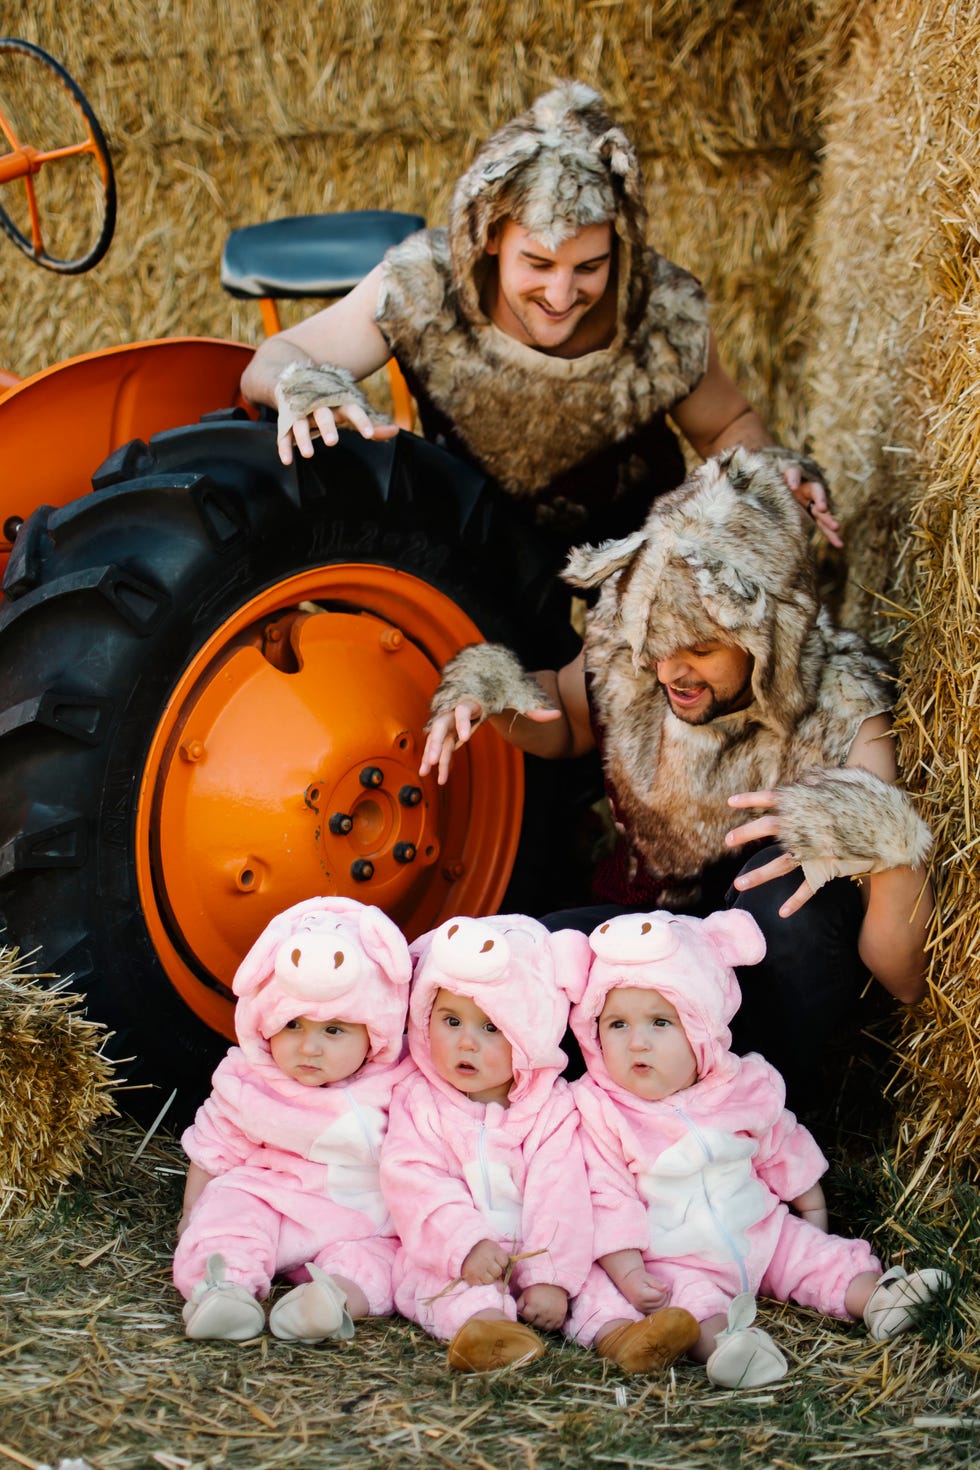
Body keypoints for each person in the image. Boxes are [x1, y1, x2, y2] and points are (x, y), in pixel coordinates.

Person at [419, 447, 934, 1115]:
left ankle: (754, 1126)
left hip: (758, 962)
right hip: (648, 918)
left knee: (785, 897)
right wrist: (495, 692)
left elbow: (907, 981)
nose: (671, 673)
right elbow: (567, 721)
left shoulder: (842, 708)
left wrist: (892, 851)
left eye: (701, 650)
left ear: (769, 631)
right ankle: (559, 1132)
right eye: (662, 646)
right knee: (517, 959)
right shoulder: (637, 647)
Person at [240, 82, 841, 558]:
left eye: (590, 266)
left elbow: (726, 424)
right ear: (492, 235)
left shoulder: (658, 308)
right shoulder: (426, 285)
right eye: (538, 262)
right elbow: (278, 354)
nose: (561, 293)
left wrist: (771, 473)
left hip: (629, 551)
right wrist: (304, 386)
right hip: (477, 547)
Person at [566, 908, 951, 1389]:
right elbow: (606, 1195)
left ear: (703, 1027)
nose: (637, 1043)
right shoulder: (599, 1110)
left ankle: (878, 1297)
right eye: (617, 1024)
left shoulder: (741, 1085)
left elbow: (779, 1142)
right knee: (689, 1305)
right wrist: (629, 1273)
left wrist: (811, 1208)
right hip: (677, 1258)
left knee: (817, 1256)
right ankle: (728, 1348)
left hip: (761, 1231)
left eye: (660, 1023)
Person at [379, 913, 620, 1373]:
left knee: (592, 1283)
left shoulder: (550, 1108)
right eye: (451, 1021)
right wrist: (465, 1243)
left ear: (529, 1034)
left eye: (491, 1028)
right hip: (451, 1255)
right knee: (444, 1289)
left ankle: (620, 1333)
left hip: (535, 1248)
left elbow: (561, 1193)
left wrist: (550, 1278)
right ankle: (489, 1329)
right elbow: (412, 1180)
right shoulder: (418, 1101)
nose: (465, 1043)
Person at [173, 896, 412, 1344]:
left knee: (389, 1259)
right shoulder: (250, 1080)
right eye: (292, 1026)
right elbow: (212, 1148)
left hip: (362, 1217)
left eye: (334, 1030)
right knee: (229, 1211)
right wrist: (191, 1213)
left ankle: (330, 1302)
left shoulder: (398, 1080)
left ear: (375, 1032)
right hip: (273, 1201)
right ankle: (223, 1289)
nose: (309, 1048)